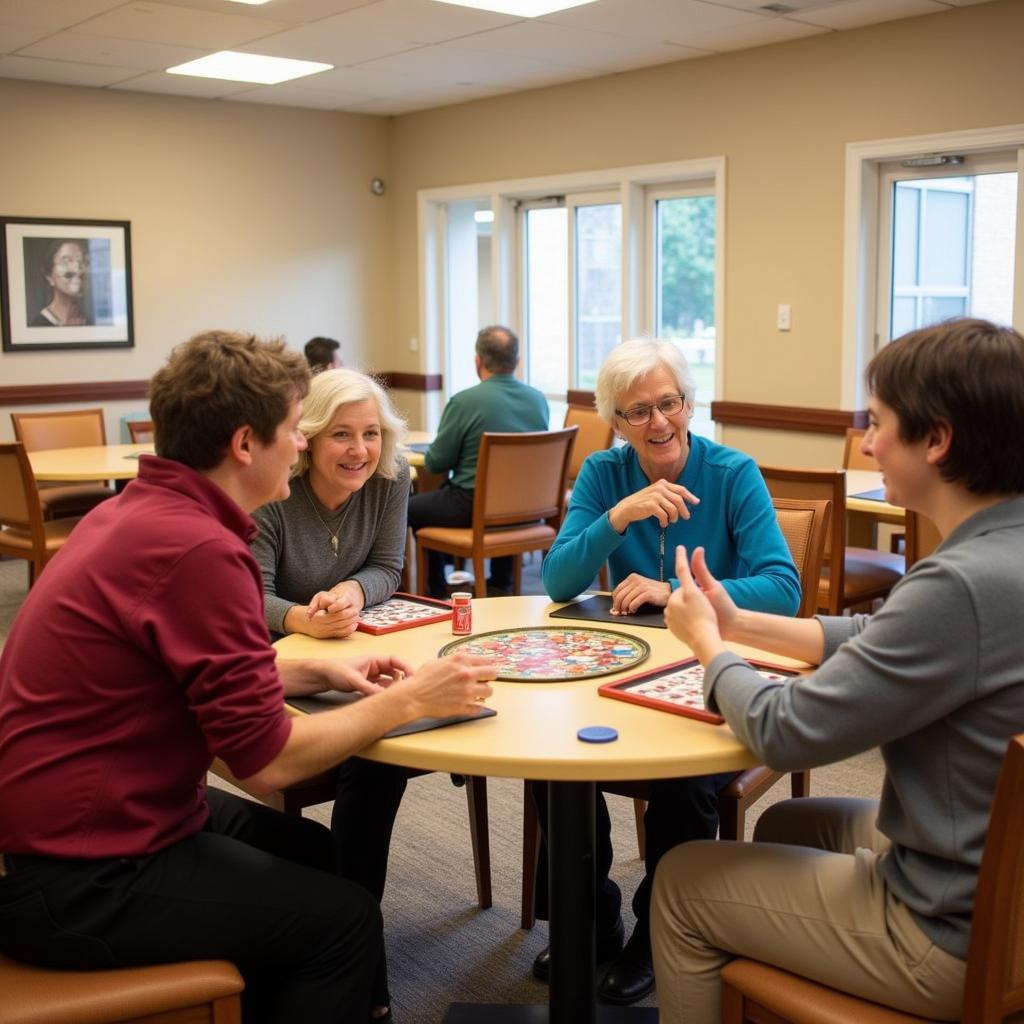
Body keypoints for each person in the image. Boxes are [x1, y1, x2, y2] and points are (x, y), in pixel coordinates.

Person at [0, 330, 496, 1024]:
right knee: (345, 919)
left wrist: (320, 670)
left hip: (77, 825)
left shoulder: (136, 512)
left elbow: (180, 672)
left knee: (318, 852)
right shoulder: (200, 548)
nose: (301, 445)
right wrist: (409, 698)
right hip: (80, 875)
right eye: (296, 430)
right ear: (244, 444)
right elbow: (267, 764)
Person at [653, 317, 1024, 1024]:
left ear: (938, 440)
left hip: (951, 934)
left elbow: (782, 733)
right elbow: (880, 633)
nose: (868, 442)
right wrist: (738, 622)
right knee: (794, 823)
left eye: (880, 423)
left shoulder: (959, 588)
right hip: (999, 881)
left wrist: (707, 646)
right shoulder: (999, 555)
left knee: (680, 881)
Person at [533, 337, 800, 1005]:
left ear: (690, 403)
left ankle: (655, 927)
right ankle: (592, 912)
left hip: (709, 665)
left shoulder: (733, 472)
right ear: (616, 423)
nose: (658, 424)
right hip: (620, 669)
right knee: (545, 755)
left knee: (687, 777)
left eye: (669, 404)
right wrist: (617, 517)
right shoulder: (603, 473)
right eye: (637, 412)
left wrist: (680, 596)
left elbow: (782, 587)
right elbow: (561, 579)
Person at [251, 365, 410, 1017]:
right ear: (309, 438)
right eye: (341, 434)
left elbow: (387, 567)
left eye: (371, 433)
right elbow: (248, 595)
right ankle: (353, 950)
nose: (360, 450)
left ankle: (345, 937)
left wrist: (349, 593)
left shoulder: (391, 479)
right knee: (371, 760)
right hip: (271, 659)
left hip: (350, 646)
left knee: (394, 740)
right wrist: (298, 618)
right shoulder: (270, 491)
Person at [407, 324, 549, 598]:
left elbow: (436, 463)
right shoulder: (537, 400)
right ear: (516, 362)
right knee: (503, 496)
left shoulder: (464, 402)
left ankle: (435, 590)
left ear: (478, 361)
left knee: (409, 508)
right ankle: (500, 583)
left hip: (470, 506)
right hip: (527, 509)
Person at [30, 238, 90, 326]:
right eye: (66, 261)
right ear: (49, 276)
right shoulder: (38, 324)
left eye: (83, 262)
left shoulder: (90, 322)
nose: (77, 269)